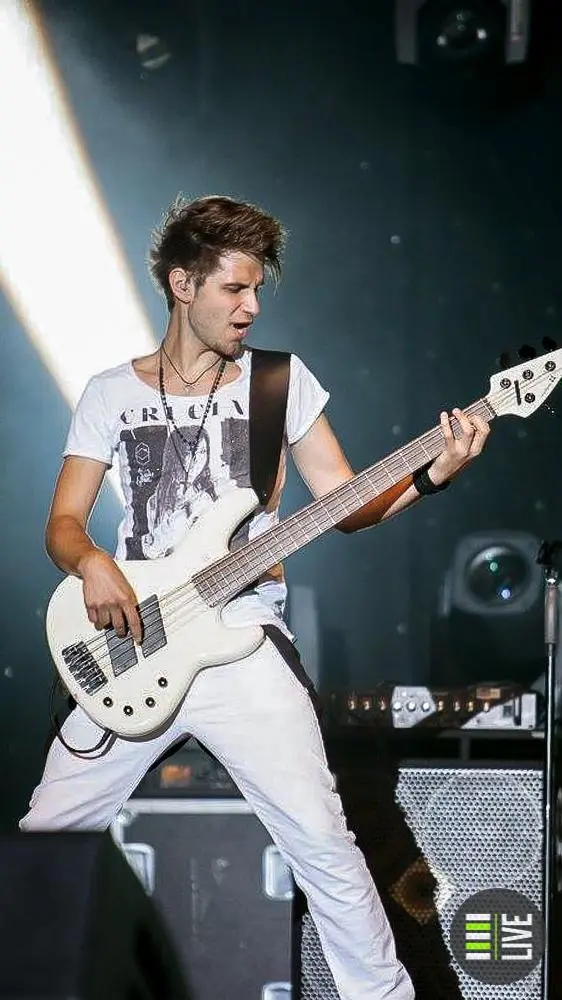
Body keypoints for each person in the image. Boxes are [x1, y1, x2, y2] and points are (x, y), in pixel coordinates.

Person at [20, 195, 489, 1000]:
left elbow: (345, 503)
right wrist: (92, 561)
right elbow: (62, 524)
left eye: (257, 289)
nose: (252, 307)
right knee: (46, 841)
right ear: (183, 285)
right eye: (234, 288)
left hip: (242, 639)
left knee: (322, 842)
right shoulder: (108, 393)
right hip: (134, 645)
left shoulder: (280, 381)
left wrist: (432, 474)